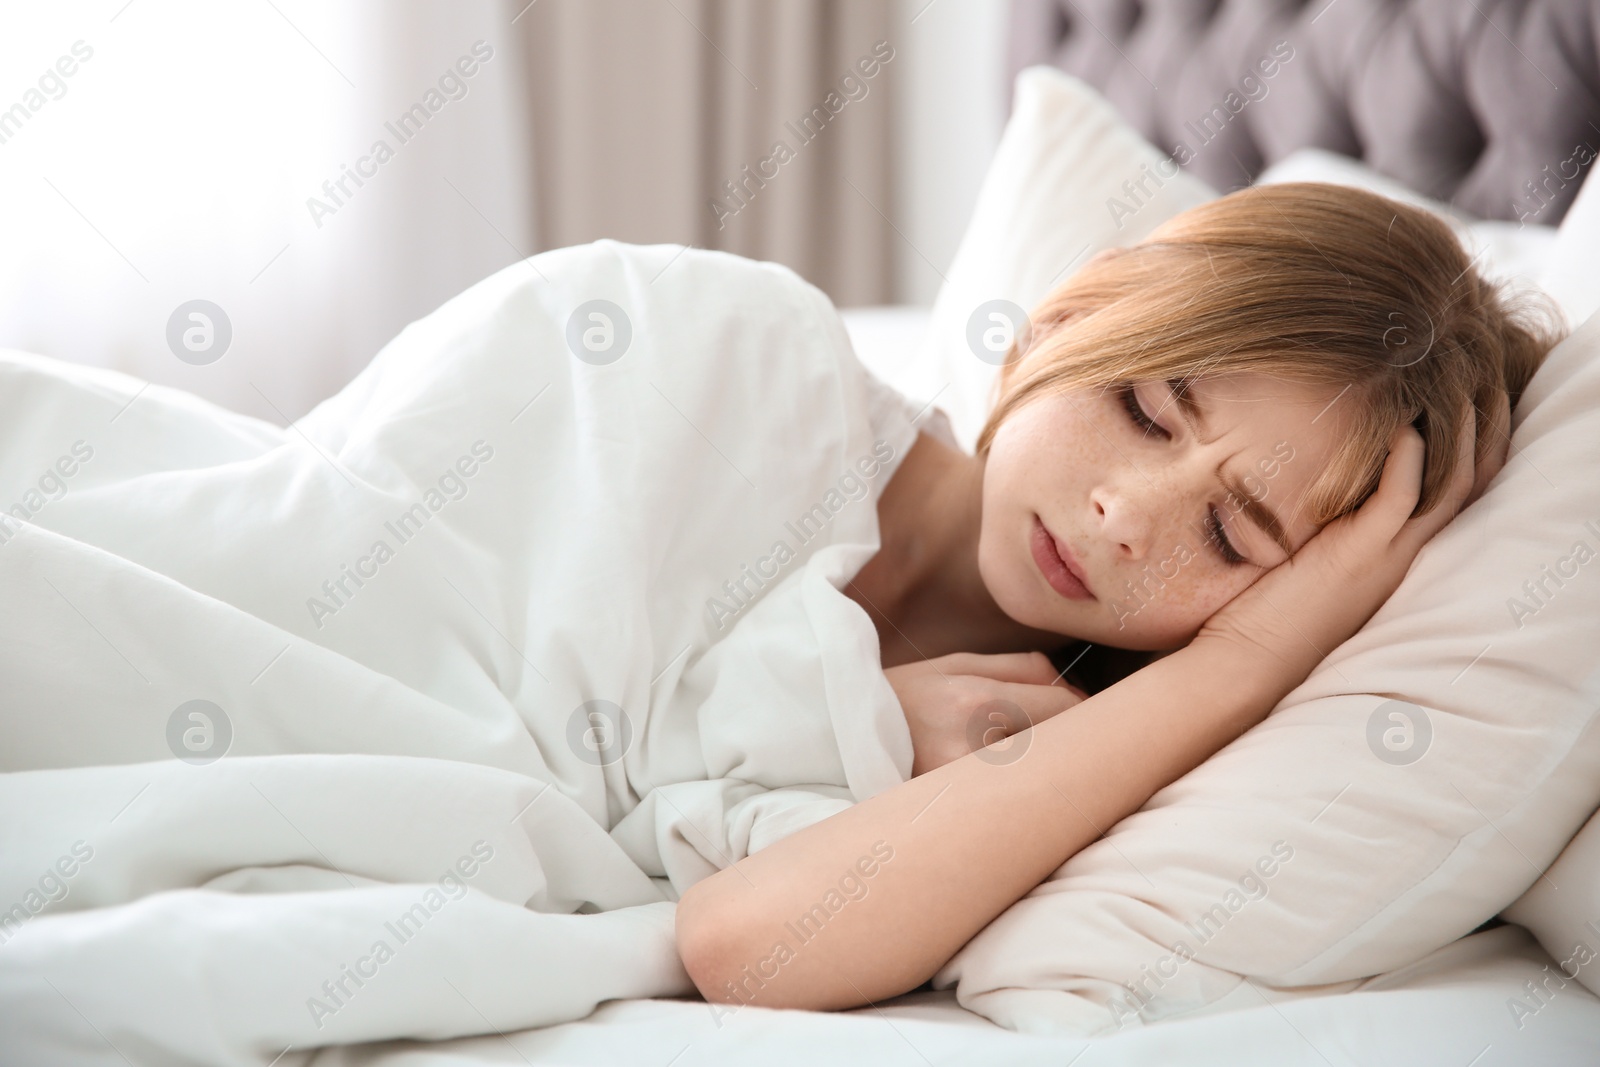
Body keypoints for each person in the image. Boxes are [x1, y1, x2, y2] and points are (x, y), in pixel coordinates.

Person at [673, 182, 1561, 1011]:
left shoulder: (1047, 740)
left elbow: (745, 947)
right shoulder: (731, 357)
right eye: (1144, 409)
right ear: (1069, 316)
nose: (1124, 514)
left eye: (1229, 534)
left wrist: (1239, 664)